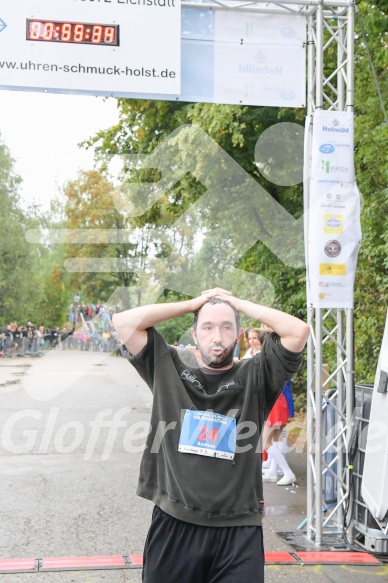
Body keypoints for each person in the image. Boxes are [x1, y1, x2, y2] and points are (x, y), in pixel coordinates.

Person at [112, 288, 310, 583]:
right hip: (175, 524)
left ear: (239, 334)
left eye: (226, 327)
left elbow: (298, 331)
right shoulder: (168, 366)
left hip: (238, 532)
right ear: (194, 334)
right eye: (207, 327)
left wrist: (236, 302)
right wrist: (194, 303)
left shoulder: (257, 374)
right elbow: (124, 322)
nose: (217, 336)